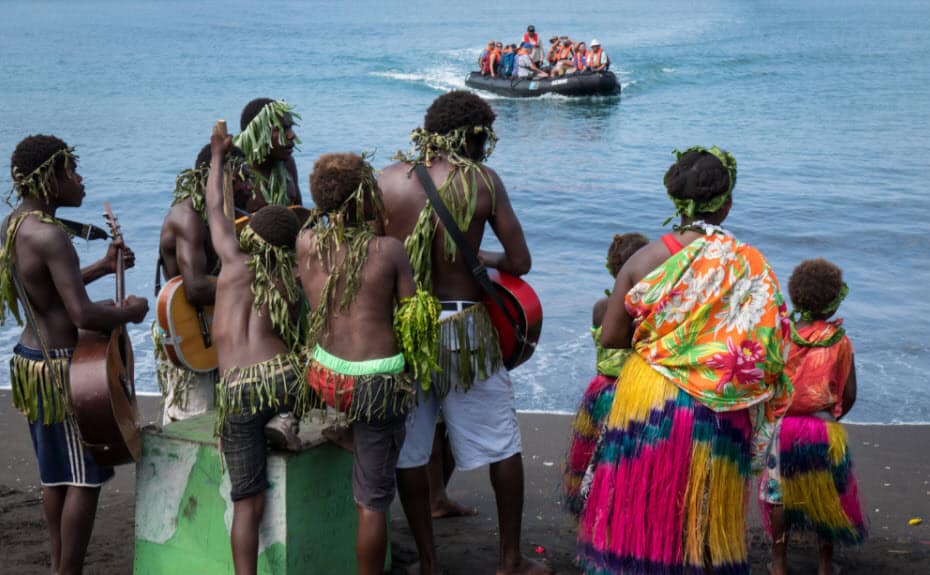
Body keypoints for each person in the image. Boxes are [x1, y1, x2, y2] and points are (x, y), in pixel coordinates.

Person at [576, 146, 792, 575]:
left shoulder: (644, 260)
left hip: (647, 401)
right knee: (705, 521)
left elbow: (614, 335)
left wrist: (665, 338)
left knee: (642, 511)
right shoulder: (751, 264)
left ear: (676, 201)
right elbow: (772, 345)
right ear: (726, 203)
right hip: (718, 408)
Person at [378, 91, 546, 575]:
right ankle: (510, 560)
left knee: (410, 448)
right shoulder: (483, 182)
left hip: (405, 327)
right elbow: (520, 262)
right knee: (501, 442)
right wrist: (481, 260)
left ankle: (429, 563)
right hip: (464, 328)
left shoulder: (387, 181)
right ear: (476, 136)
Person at [1, 134, 149, 574]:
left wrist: (102, 267)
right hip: (63, 364)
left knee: (55, 475)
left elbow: (44, 288)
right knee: (83, 478)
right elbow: (81, 311)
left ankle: (58, 564)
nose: (80, 180)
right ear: (50, 180)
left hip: (32, 356)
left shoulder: (15, 223)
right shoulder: (51, 236)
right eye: (71, 172)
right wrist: (130, 312)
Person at [298, 152, 440, 575]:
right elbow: (412, 317)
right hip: (375, 386)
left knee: (368, 428)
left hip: (325, 376)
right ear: (365, 198)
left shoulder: (305, 242)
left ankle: (354, 434)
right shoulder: (389, 251)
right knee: (372, 503)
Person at [205, 126, 307, 575]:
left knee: (247, 501)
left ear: (251, 237)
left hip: (238, 389)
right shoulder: (293, 280)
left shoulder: (230, 261)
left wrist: (217, 156)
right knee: (305, 363)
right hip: (281, 378)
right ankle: (286, 419)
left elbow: (214, 207)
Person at [760, 258, 866, 575]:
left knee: (778, 496)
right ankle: (824, 564)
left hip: (784, 428)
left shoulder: (783, 338)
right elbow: (849, 394)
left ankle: (778, 563)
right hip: (823, 425)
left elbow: (768, 383)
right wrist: (833, 417)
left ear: (797, 299)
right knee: (826, 495)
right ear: (834, 301)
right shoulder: (841, 342)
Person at [154, 142, 259, 424]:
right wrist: (255, 284)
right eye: (243, 178)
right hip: (190, 334)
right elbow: (196, 288)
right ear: (222, 178)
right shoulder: (187, 217)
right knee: (192, 422)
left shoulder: (222, 216)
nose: (249, 185)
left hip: (215, 330)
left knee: (220, 419)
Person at [562, 232, 647, 517]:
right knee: (619, 456)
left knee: (591, 452)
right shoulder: (640, 313)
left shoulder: (601, 307)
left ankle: (587, 502)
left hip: (599, 388)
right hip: (628, 393)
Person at [235, 97, 303, 207]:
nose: (292, 135)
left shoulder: (287, 164)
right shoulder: (236, 175)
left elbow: (300, 214)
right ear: (259, 135)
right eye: (283, 129)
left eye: (290, 128)